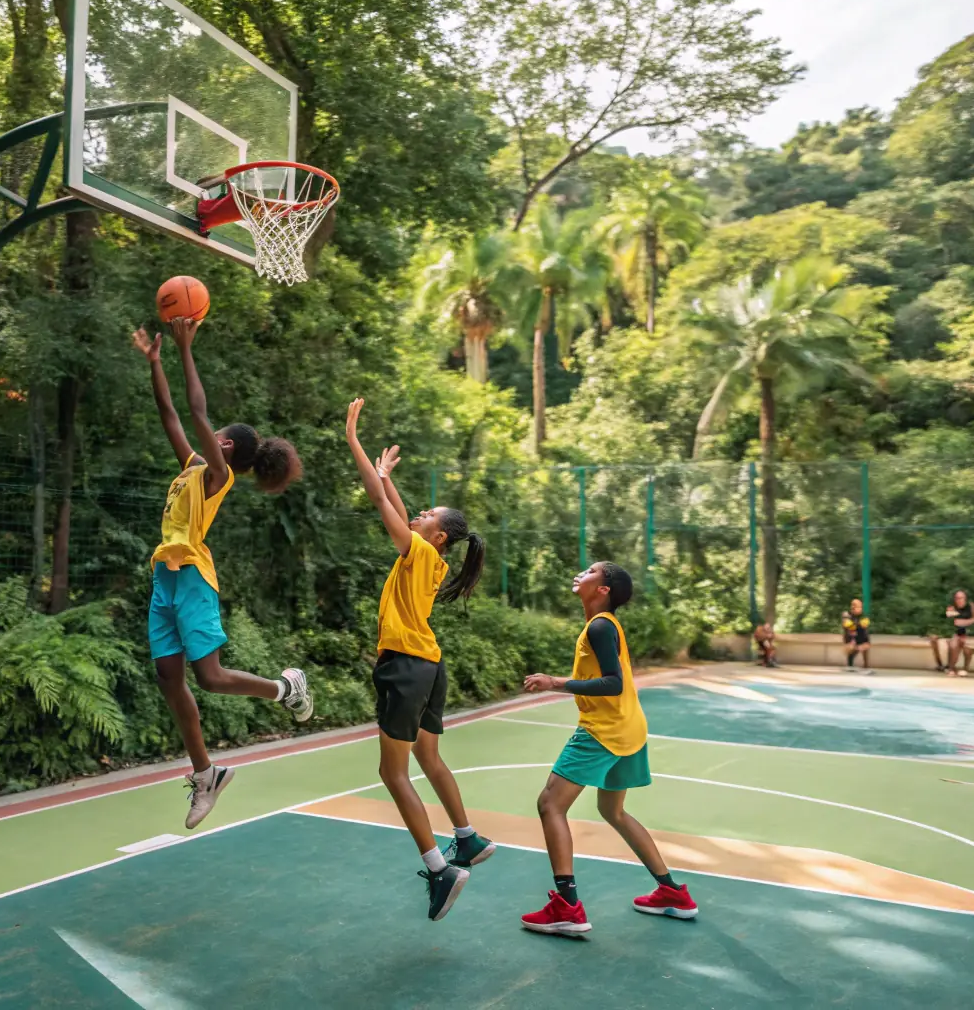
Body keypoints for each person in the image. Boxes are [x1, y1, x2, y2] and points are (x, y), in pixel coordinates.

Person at [133, 319, 310, 830]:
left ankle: (285, 688)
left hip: (191, 576)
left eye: (218, 435)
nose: (211, 433)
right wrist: (155, 363)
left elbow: (195, 410)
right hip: (164, 577)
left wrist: (186, 349)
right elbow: (170, 412)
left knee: (208, 678)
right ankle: (205, 774)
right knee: (169, 676)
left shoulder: (218, 474)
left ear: (227, 447)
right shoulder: (191, 465)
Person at [344, 397, 495, 922]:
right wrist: (388, 474)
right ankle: (467, 838)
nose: (416, 512)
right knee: (429, 758)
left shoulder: (420, 549)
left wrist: (356, 443)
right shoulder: (429, 554)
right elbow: (396, 503)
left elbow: (380, 502)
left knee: (395, 774)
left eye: (426, 514)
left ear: (438, 536)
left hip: (404, 667)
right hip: (430, 666)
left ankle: (440, 868)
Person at [519, 561, 697, 936]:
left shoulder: (600, 626)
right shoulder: (604, 625)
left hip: (604, 731)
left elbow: (612, 683)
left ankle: (567, 907)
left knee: (550, 804)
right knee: (612, 810)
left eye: (591, 571)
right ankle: (672, 892)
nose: (581, 572)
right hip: (630, 728)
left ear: (603, 590)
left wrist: (556, 682)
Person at [935, 589, 974, 676]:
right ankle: (951, 668)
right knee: (953, 644)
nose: (959, 600)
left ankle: (965, 668)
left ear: (965, 598)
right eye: (957, 598)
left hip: (970, 631)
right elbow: (949, 621)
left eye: (961, 598)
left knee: (966, 644)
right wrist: (949, 614)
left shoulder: (971, 606)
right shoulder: (952, 607)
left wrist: (965, 622)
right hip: (957, 632)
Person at [841, 598, 874, 674]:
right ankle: (850, 664)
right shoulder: (846, 615)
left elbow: (865, 624)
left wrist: (860, 625)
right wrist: (858, 625)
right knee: (852, 646)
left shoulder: (862, 616)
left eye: (861, 607)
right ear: (853, 607)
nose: (860, 609)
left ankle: (865, 665)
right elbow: (849, 625)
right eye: (859, 607)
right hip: (850, 639)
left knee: (866, 643)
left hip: (860, 637)